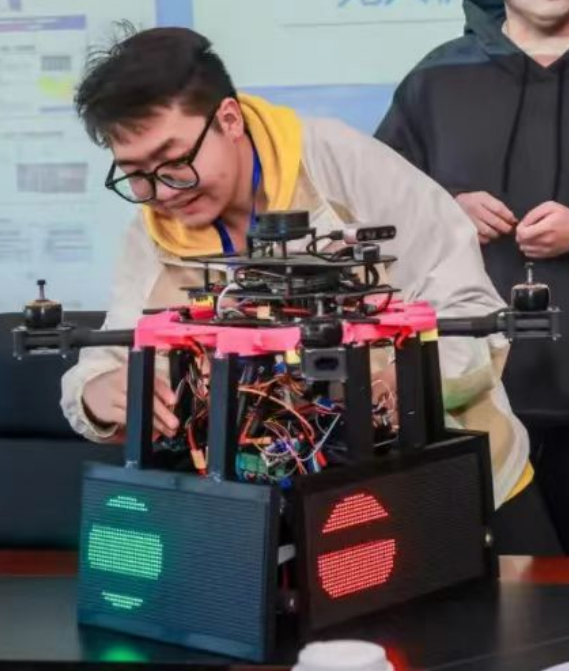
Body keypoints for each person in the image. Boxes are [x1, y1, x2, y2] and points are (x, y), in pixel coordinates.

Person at [62, 26, 558, 553]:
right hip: (284, 520)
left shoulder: (339, 163)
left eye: (175, 161)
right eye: (136, 174)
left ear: (228, 119)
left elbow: (472, 310)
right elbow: (101, 365)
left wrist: (398, 384)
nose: (162, 191)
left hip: (456, 495)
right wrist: (98, 396)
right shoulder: (153, 231)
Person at [376, 0, 569, 550]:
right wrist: (447, 211)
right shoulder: (435, 79)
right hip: (471, 407)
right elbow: (373, 219)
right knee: (500, 594)